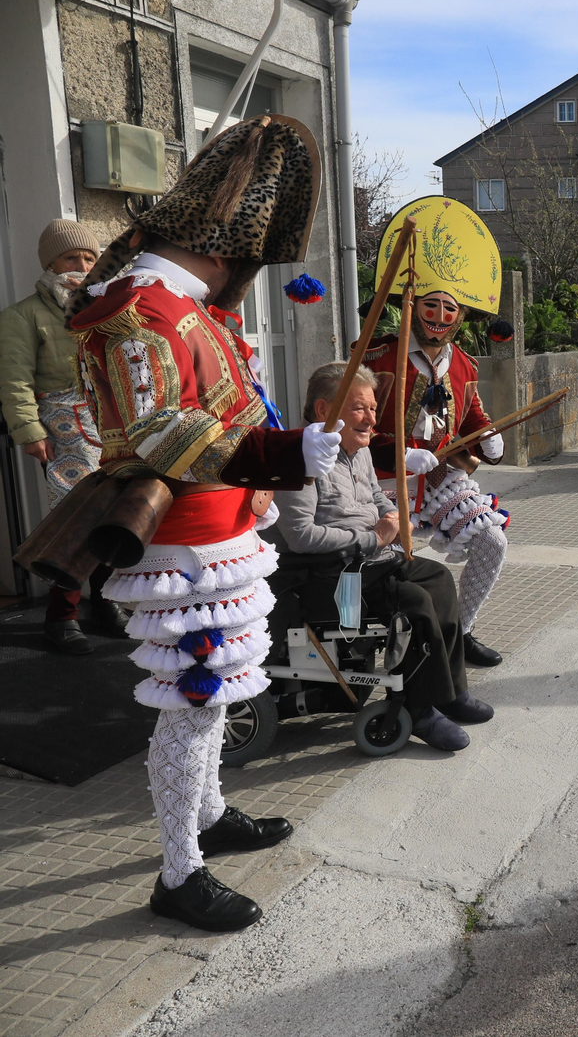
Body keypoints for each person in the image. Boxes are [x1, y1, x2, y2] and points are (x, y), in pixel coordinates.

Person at [68, 115, 339, 931]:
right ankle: (178, 872)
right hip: (180, 547)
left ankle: (211, 815)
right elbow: (157, 434)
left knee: (212, 704)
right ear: (225, 250)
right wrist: (285, 455)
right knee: (191, 707)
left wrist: (284, 453)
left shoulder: (179, 307)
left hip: (218, 539)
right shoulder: (141, 310)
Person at [271, 362, 488, 752]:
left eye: (372, 408)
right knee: (415, 603)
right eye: (360, 408)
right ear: (323, 411)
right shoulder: (299, 457)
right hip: (327, 578)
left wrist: (392, 517)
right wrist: (372, 537)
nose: (371, 418)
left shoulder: (360, 452)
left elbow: (374, 498)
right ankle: (418, 709)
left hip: (369, 562)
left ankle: (450, 692)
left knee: (437, 580)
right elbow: (299, 536)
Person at [363, 196, 509, 670]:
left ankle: (458, 634)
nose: (441, 316)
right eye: (432, 306)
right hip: (383, 481)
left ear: (460, 316)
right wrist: (396, 454)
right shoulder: (378, 359)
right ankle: (376, 648)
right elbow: (349, 428)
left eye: (451, 308)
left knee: (492, 541)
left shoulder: (463, 363)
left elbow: (472, 417)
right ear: (411, 306)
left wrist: (488, 438)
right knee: (379, 567)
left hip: (443, 477)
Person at [0, 219, 130, 653]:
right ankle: (61, 616)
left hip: (111, 424)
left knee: (113, 514)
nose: (82, 264)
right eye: (71, 256)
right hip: (61, 427)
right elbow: (14, 381)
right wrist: (29, 431)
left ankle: (106, 604)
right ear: (50, 262)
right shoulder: (21, 316)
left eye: (90, 257)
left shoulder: (105, 305)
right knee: (76, 519)